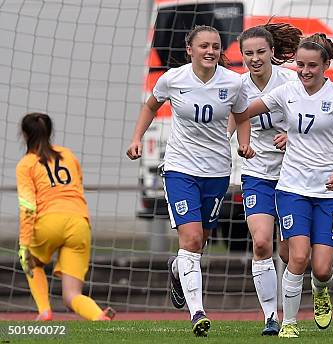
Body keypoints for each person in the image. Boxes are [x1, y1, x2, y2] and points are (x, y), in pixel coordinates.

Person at [126, 25, 254, 337]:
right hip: (180, 169)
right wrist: (136, 138)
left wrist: (244, 142)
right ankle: (197, 311)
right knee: (192, 240)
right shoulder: (173, 78)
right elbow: (150, 106)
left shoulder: (234, 82)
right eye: (203, 46)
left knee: (200, 243)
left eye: (215, 46)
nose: (210, 51)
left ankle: (176, 269)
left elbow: (243, 115)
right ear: (190, 50)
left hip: (217, 171)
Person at [234, 32, 333, 338]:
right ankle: (288, 323)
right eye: (300, 65)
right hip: (291, 187)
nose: (305, 71)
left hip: (329, 192)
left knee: (320, 268)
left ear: (326, 65)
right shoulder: (286, 92)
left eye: (312, 66)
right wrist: (240, 139)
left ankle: (320, 291)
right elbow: (241, 112)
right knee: (297, 256)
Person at [234, 22, 301, 336]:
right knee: (261, 243)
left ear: (273, 52)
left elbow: (311, 120)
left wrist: (292, 135)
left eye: (261, 51)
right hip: (257, 174)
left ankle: (293, 310)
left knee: (289, 252)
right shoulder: (239, 87)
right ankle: (270, 317)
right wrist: (239, 145)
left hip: (294, 174)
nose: (255, 58)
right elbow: (235, 121)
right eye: (249, 53)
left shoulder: (291, 81)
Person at [16, 112, 114, 321]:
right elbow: (77, 186)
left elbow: (28, 207)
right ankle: (98, 316)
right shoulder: (68, 155)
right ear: (50, 132)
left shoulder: (26, 164)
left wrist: (24, 244)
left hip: (48, 222)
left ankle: (44, 311)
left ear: (24, 135)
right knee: (72, 295)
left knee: (31, 261)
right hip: (79, 223)